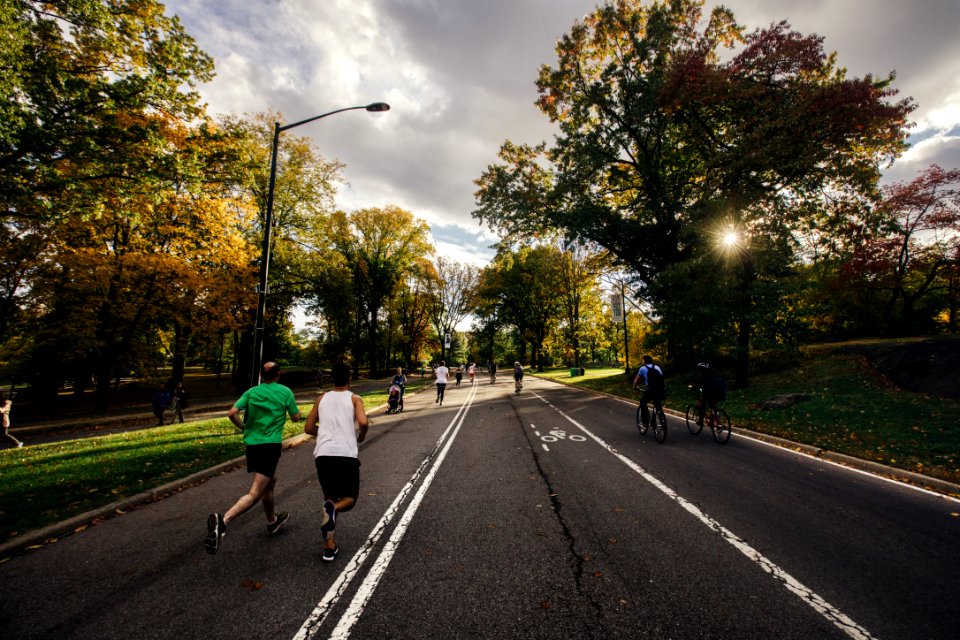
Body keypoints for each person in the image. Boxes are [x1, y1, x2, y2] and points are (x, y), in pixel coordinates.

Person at [205, 362, 302, 555]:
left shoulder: (252, 392)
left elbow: (232, 413)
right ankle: (223, 521)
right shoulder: (285, 392)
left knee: (269, 482)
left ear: (261, 374)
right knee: (256, 491)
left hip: (252, 445)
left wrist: (244, 427)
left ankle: (272, 522)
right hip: (270, 446)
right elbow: (296, 418)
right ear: (278, 374)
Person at [304, 362, 370, 562]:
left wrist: (323, 433)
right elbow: (364, 422)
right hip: (345, 454)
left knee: (329, 499)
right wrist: (361, 436)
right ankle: (335, 512)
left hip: (323, 454)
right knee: (349, 499)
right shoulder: (355, 398)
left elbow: (308, 427)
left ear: (333, 379)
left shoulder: (321, 398)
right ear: (349, 379)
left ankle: (329, 546)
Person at [632, 355, 665, 428]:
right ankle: (662, 417)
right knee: (657, 402)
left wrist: (634, 386)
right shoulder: (657, 367)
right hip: (661, 389)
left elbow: (637, 380)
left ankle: (645, 421)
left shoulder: (642, 368)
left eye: (642, 360)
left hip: (650, 389)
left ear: (644, 361)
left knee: (643, 402)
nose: (642, 361)